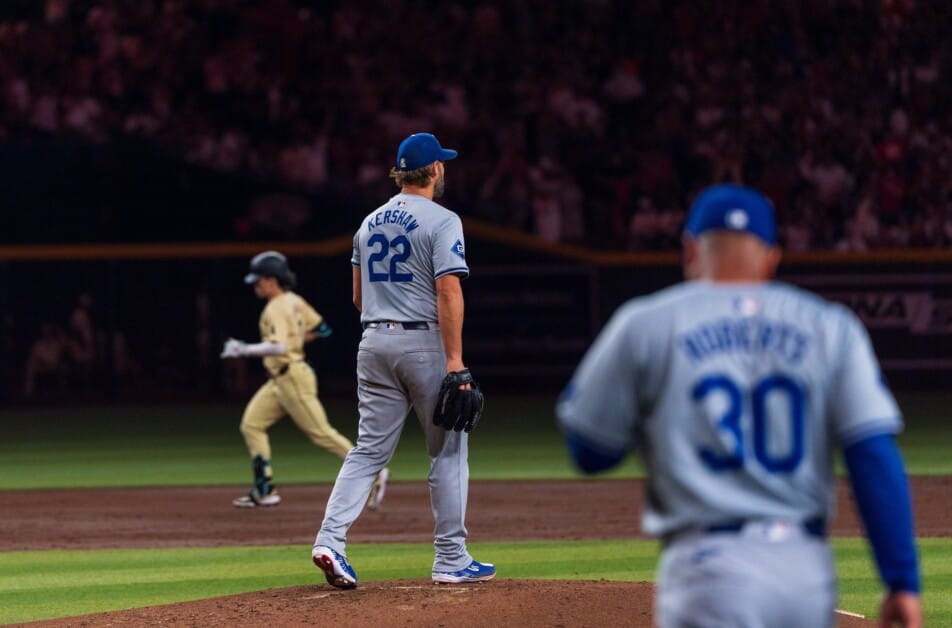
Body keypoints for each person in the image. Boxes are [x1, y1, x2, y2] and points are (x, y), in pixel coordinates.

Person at [557, 183, 922, 628]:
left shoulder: (647, 322)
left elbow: (590, 450)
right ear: (772, 257)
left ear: (690, 250)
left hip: (707, 569)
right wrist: (902, 580)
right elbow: (873, 457)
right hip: (803, 573)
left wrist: (654, 422)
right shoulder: (832, 327)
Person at [311, 132, 494, 588]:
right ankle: (451, 558)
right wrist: (454, 361)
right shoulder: (443, 219)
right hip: (422, 344)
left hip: (372, 342)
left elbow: (357, 298)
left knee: (368, 449)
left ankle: (330, 540)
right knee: (448, 450)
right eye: (443, 164)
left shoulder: (367, 223)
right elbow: (448, 291)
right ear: (434, 170)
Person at [221, 250, 389, 510]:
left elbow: (278, 348)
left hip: (291, 377)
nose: (255, 285)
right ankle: (265, 491)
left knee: (321, 434)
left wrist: (242, 349)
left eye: (258, 280)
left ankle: (374, 472)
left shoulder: (277, 307)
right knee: (252, 425)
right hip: (279, 379)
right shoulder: (294, 300)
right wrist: (295, 339)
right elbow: (321, 329)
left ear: (270, 280)